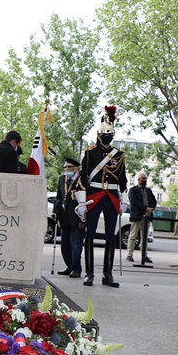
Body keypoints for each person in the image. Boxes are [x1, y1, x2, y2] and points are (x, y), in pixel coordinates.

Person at [76, 105, 127, 287]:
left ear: (113, 136)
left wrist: (125, 200)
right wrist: (82, 201)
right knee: (90, 235)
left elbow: (123, 179)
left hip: (112, 197)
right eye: (104, 134)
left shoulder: (119, 155)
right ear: (99, 135)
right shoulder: (90, 153)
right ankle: (89, 273)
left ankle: (108, 274)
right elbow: (83, 176)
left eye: (109, 134)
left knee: (111, 237)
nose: (107, 137)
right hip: (95, 195)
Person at [53, 157, 84, 278]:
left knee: (76, 246)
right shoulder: (62, 179)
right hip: (64, 216)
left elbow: (85, 201)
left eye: (69, 167)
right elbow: (59, 196)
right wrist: (56, 211)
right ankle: (69, 266)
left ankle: (76, 269)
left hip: (77, 216)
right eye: (65, 167)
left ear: (76, 168)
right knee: (65, 244)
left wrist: (83, 219)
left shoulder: (82, 180)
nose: (67, 169)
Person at [127, 171, 156, 263]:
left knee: (144, 237)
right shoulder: (133, 190)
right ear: (138, 179)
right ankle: (129, 254)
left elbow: (153, 201)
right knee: (133, 236)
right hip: (137, 216)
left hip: (147, 217)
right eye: (143, 178)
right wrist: (145, 209)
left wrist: (150, 209)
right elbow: (133, 202)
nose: (145, 180)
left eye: (146, 178)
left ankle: (144, 255)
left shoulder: (149, 190)